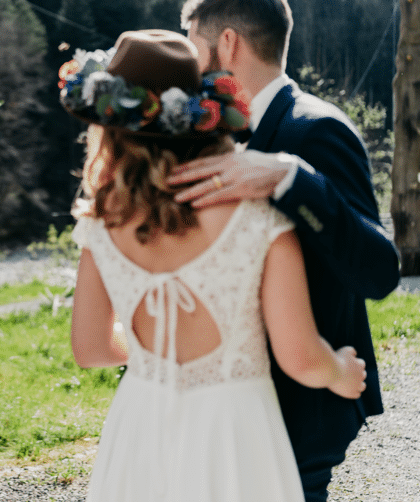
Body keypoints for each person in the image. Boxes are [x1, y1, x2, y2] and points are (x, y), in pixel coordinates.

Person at [60, 29, 367, 502]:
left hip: (141, 422)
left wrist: (154, 354)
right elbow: (301, 357)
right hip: (234, 428)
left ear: (110, 131)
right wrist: (341, 371)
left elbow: (91, 348)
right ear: (204, 117)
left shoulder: (103, 223)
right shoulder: (258, 220)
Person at [170, 0, 401, 501]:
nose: (187, 64)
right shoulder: (205, 131)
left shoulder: (317, 130)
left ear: (228, 43)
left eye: (193, 46)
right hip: (218, 404)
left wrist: (292, 178)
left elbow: (378, 271)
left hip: (297, 411)